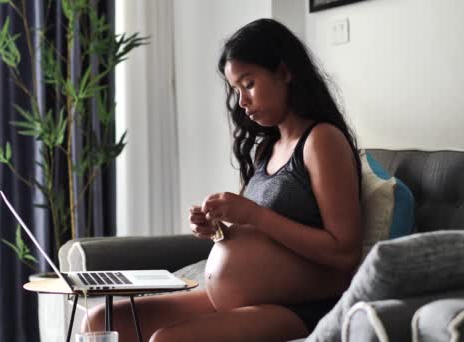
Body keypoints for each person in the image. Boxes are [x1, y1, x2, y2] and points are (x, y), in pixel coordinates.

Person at [82, 18, 363, 341]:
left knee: (167, 340)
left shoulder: (321, 140)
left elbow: (345, 253)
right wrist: (219, 230)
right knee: (100, 321)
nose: (242, 101)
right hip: (243, 297)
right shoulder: (266, 149)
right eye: (236, 89)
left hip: (304, 306)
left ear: (285, 72)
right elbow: (260, 239)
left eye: (249, 84)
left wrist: (252, 214)